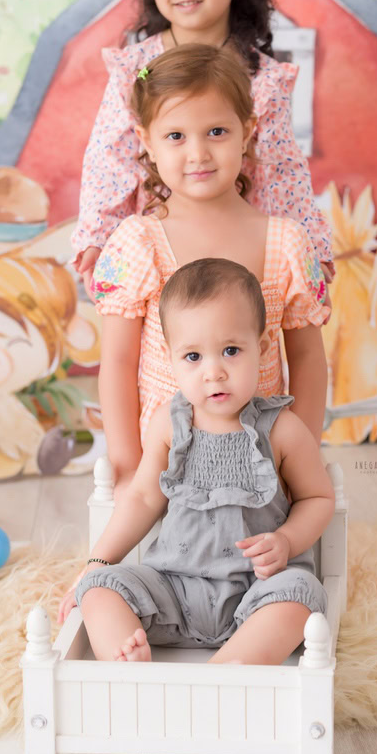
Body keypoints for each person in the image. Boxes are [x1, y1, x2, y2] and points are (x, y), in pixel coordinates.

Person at [58, 258, 335, 666]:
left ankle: (227, 667)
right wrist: (98, 561)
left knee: (302, 595)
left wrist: (288, 540)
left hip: (256, 590)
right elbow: (142, 499)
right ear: (170, 359)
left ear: (260, 349)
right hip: (172, 588)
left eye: (230, 350)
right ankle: (127, 663)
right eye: (193, 357)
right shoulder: (168, 426)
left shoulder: (282, 429)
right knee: (99, 588)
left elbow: (317, 498)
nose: (214, 372)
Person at [89, 42, 330, 487]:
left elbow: (309, 358)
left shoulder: (285, 243)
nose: (197, 153)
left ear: (248, 130)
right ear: (147, 142)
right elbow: (118, 362)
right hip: (164, 466)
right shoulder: (139, 243)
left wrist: (302, 455)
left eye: (216, 132)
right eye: (176, 136)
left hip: (259, 463)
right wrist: (127, 466)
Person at [71, 0, 332, 294]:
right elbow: (109, 160)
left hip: (235, 256)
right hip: (157, 252)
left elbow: (280, 172)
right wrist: (97, 235)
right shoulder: (134, 71)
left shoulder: (261, 80)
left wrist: (307, 246)